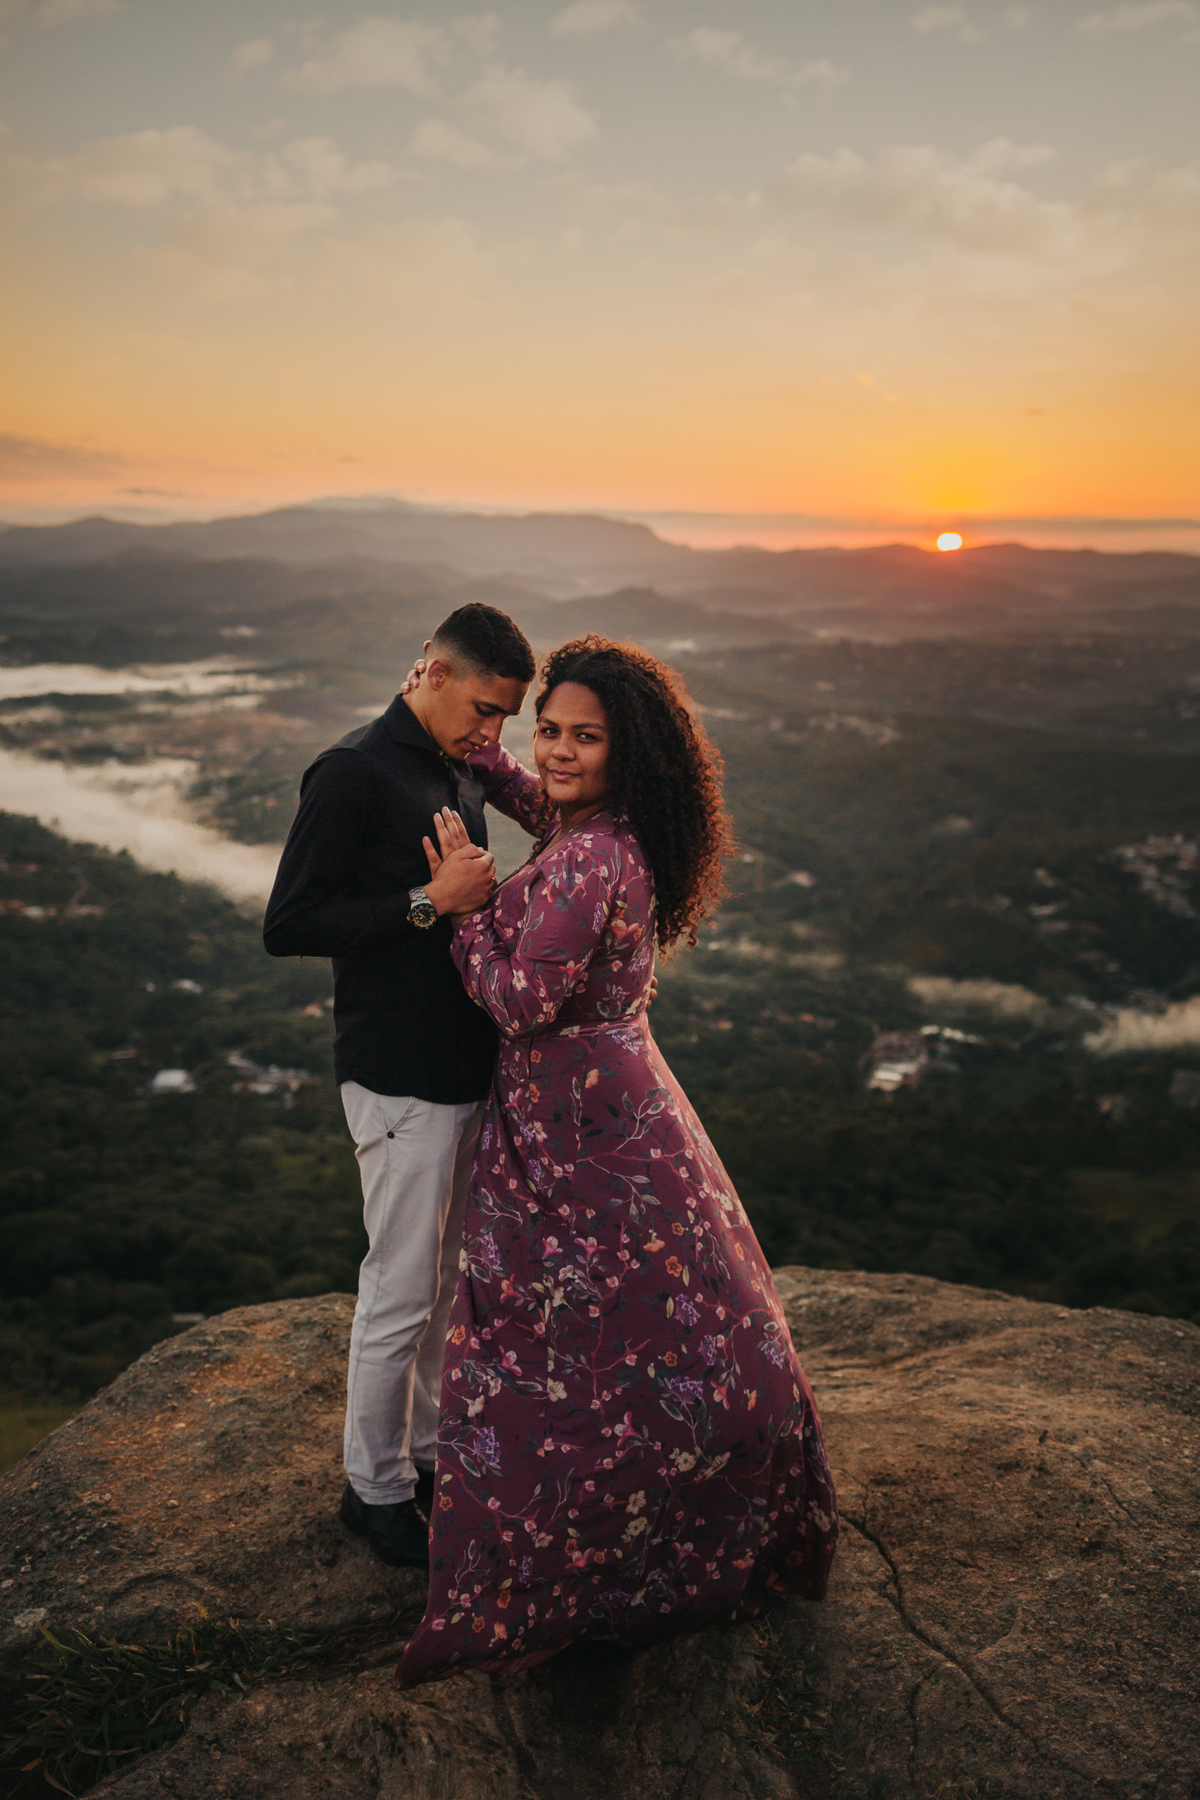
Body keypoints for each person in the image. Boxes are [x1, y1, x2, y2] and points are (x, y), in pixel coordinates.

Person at [396, 636, 838, 1687]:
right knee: (651, 1318)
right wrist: (470, 738)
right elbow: (540, 795)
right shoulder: (609, 827)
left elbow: (520, 1003)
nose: (556, 752)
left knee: (566, 1331)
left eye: (583, 738)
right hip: (615, 1100)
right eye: (548, 729)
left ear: (626, 751)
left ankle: (592, 1551)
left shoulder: (592, 858)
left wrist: (463, 913)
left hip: (578, 1121)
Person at [262, 603, 536, 1569]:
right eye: (484, 708)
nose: (492, 732)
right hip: (397, 1076)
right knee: (400, 1288)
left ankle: (420, 1457)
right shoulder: (354, 772)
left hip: (462, 1070)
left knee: (446, 1283)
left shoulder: (459, 767)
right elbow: (289, 922)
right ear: (432, 668)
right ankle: (371, 1491)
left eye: (505, 717)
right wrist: (431, 901)